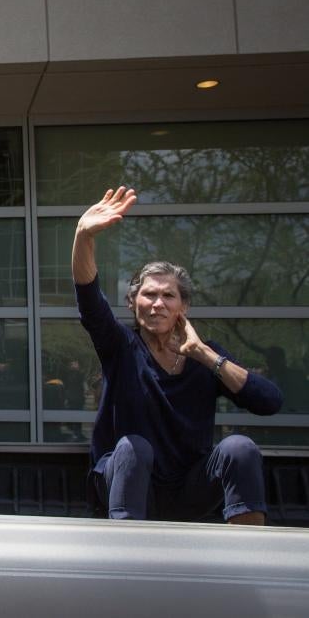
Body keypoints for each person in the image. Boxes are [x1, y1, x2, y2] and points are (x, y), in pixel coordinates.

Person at [73, 186, 284, 524]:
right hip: (128, 487)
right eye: (149, 294)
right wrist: (83, 235)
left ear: (183, 306)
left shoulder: (206, 355)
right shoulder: (122, 346)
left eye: (168, 296)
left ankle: (247, 559)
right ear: (132, 303)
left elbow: (270, 401)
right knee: (134, 448)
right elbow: (88, 299)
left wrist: (203, 355)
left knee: (239, 448)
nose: (158, 303)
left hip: (190, 490)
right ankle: (127, 562)